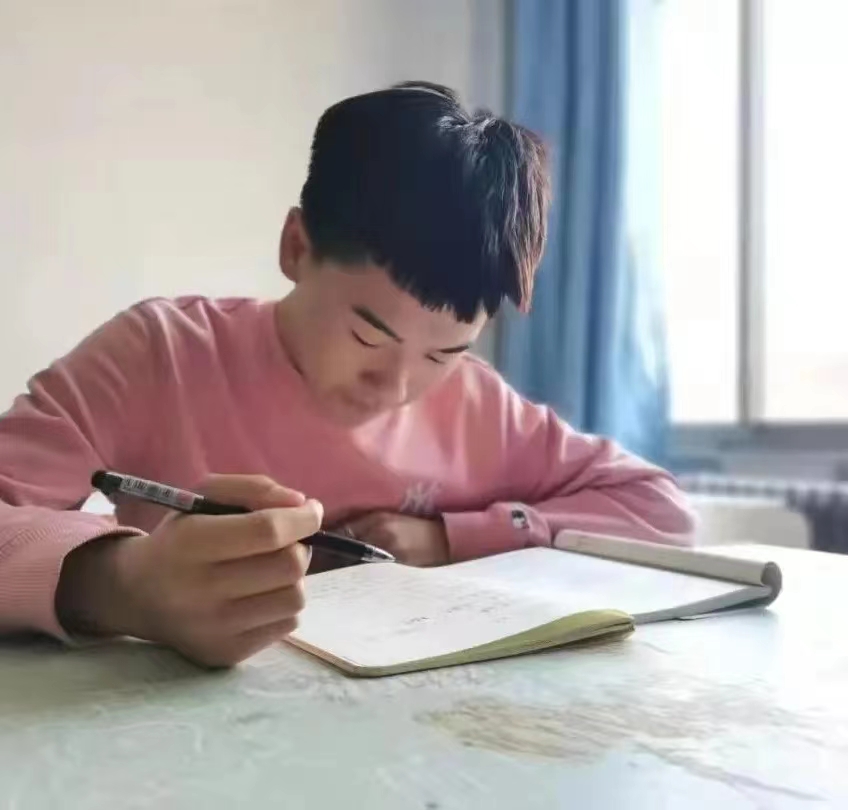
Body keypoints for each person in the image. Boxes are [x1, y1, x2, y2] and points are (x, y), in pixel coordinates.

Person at [0, 82, 694, 667]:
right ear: (296, 247)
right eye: (368, 335)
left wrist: (452, 536)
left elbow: (658, 510)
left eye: (444, 354)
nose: (395, 389)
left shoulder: (477, 404)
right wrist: (127, 586)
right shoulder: (162, 354)